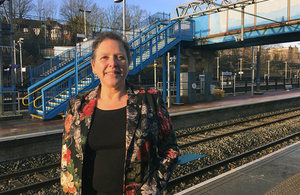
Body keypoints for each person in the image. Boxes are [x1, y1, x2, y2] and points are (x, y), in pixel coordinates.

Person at [61, 31, 179, 195]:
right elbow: (67, 159)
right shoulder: (77, 105)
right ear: (94, 66)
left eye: (120, 57)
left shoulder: (151, 100)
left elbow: (171, 152)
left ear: (128, 64)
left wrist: (149, 191)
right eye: (104, 57)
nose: (113, 63)